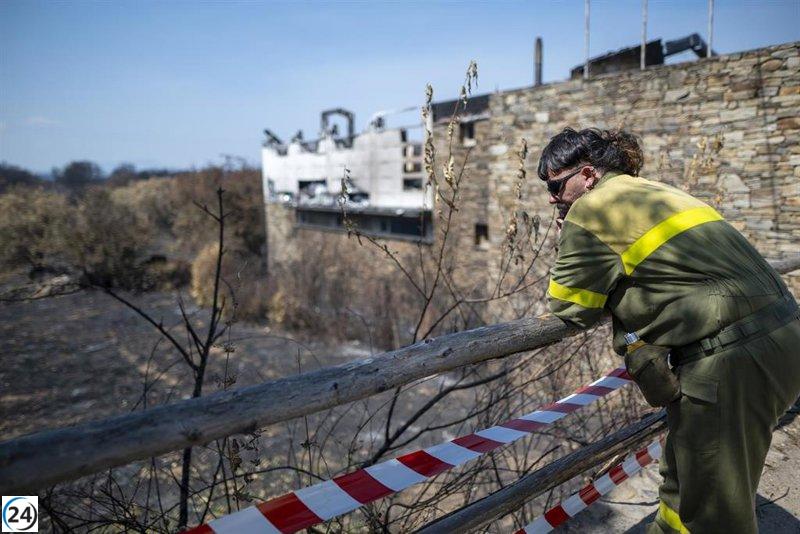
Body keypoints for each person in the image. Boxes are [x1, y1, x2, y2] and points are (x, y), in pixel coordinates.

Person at [538, 127, 800, 533]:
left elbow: (569, 306)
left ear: (587, 175)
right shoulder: (654, 191)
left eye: (555, 185)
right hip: (781, 339)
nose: (553, 198)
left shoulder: (590, 210)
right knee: (683, 485)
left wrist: (568, 236)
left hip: (733, 363)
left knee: (716, 514)